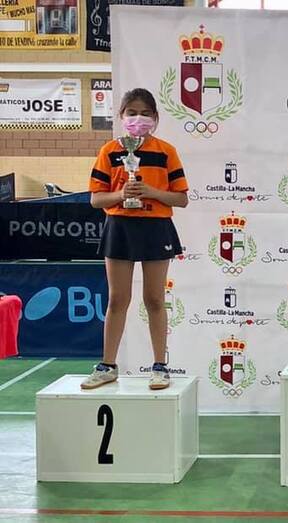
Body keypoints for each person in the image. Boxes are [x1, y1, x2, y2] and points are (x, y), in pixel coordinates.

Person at [81, 88, 189, 390]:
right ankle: (108, 366)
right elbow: (96, 199)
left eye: (144, 113)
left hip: (156, 228)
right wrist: (121, 194)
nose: (138, 118)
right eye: (131, 113)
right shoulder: (109, 151)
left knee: (154, 299)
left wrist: (152, 192)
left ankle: (160, 366)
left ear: (155, 117)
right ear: (121, 116)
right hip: (120, 227)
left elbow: (181, 199)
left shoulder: (166, 151)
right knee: (118, 299)